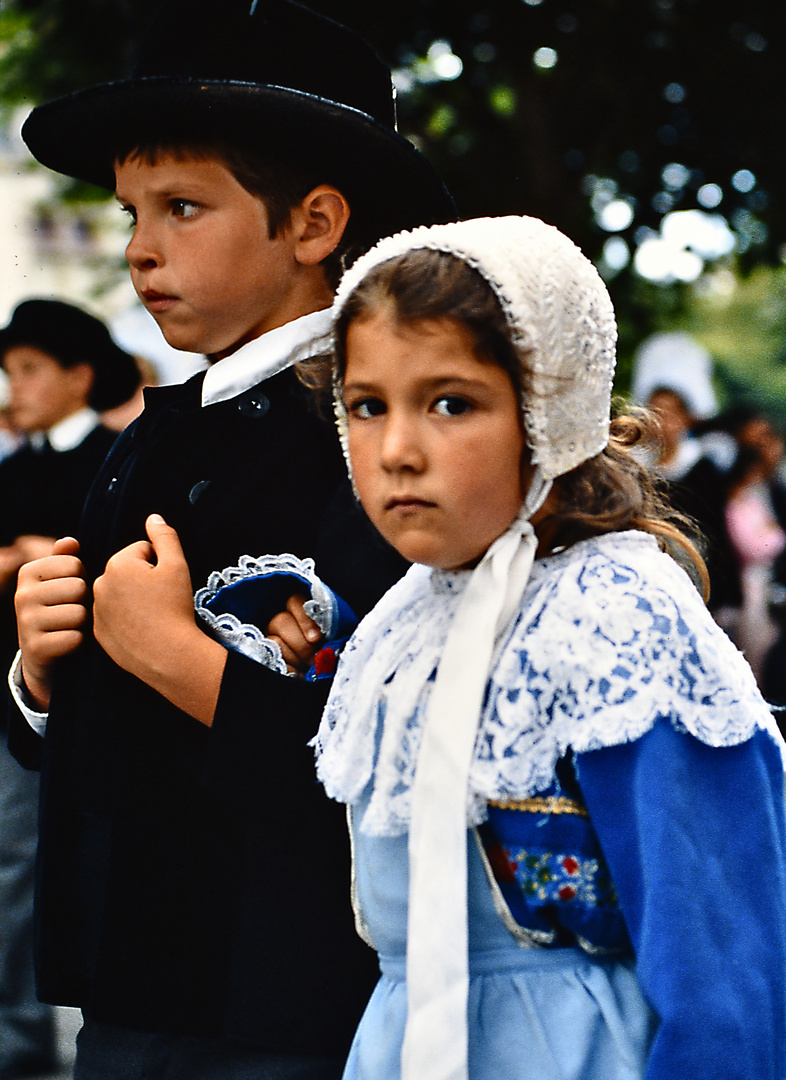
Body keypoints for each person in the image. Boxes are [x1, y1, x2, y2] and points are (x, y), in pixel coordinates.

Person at [8, 1, 453, 1078]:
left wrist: (180, 661)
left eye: (184, 207)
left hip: (282, 1002)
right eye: (128, 212)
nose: (139, 249)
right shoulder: (151, 435)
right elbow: (81, 748)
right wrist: (37, 673)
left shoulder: (364, 439)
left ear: (311, 225)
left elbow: (405, 762)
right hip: (131, 983)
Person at [275, 217, 786, 1079]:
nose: (396, 450)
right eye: (368, 405)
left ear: (548, 409)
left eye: (451, 403)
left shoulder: (614, 621)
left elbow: (721, 966)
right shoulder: (405, 617)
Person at [0, 297, 138, 1080]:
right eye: (8, 371)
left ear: (79, 375)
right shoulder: (16, 467)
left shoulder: (118, 459)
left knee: (34, 861)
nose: (13, 387)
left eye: (29, 369)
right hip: (14, 689)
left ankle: (26, 1035)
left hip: (83, 706)